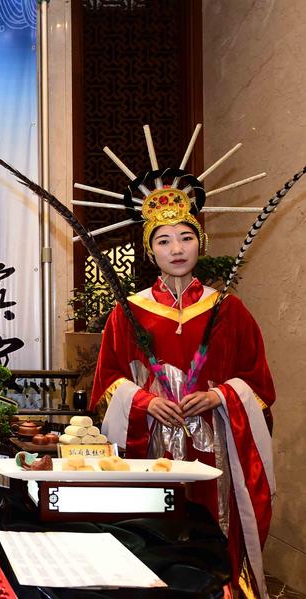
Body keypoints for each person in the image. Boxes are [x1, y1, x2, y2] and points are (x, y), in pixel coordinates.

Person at [91, 187, 274, 598]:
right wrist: (145, 400)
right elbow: (106, 381)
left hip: (214, 441)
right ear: (150, 252)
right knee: (155, 526)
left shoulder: (229, 309)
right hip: (152, 438)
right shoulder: (129, 311)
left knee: (214, 520)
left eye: (186, 237)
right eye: (163, 240)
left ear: (201, 243)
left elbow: (258, 381)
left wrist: (221, 395)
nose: (177, 248)